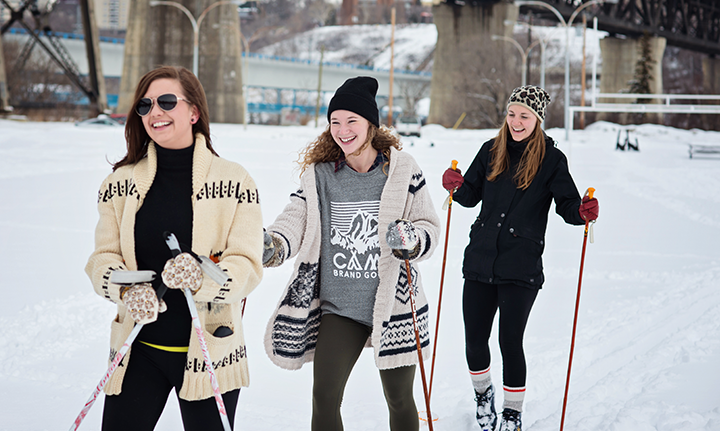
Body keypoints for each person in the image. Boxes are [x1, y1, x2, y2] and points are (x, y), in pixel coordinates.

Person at [84, 66, 263, 430]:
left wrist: (202, 276)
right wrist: (126, 290)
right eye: (145, 105)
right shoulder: (119, 184)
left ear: (194, 112)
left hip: (211, 351)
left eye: (167, 102)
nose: (155, 112)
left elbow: (247, 265)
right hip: (138, 349)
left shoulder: (235, 180)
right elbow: (102, 259)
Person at [261, 76, 441, 431]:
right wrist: (275, 243)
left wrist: (413, 238)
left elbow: (429, 226)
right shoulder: (321, 176)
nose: (342, 130)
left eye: (351, 121)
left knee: (400, 399)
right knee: (324, 397)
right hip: (340, 308)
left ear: (371, 125)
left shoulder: (402, 170)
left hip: (394, 306)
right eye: (335, 122)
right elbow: (296, 215)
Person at [441, 85, 599, 431]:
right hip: (481, 259)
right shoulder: (490, 150)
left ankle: (512, 414)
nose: (516, 121)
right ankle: (484, 401)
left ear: (538, 119)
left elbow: (567, 205)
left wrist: (582, 212)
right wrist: (456, 185)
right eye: (512, 114)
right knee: (474, 340)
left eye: (524, 116)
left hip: (521, 264)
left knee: (509, 341)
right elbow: (470, 195)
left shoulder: (552, 161)